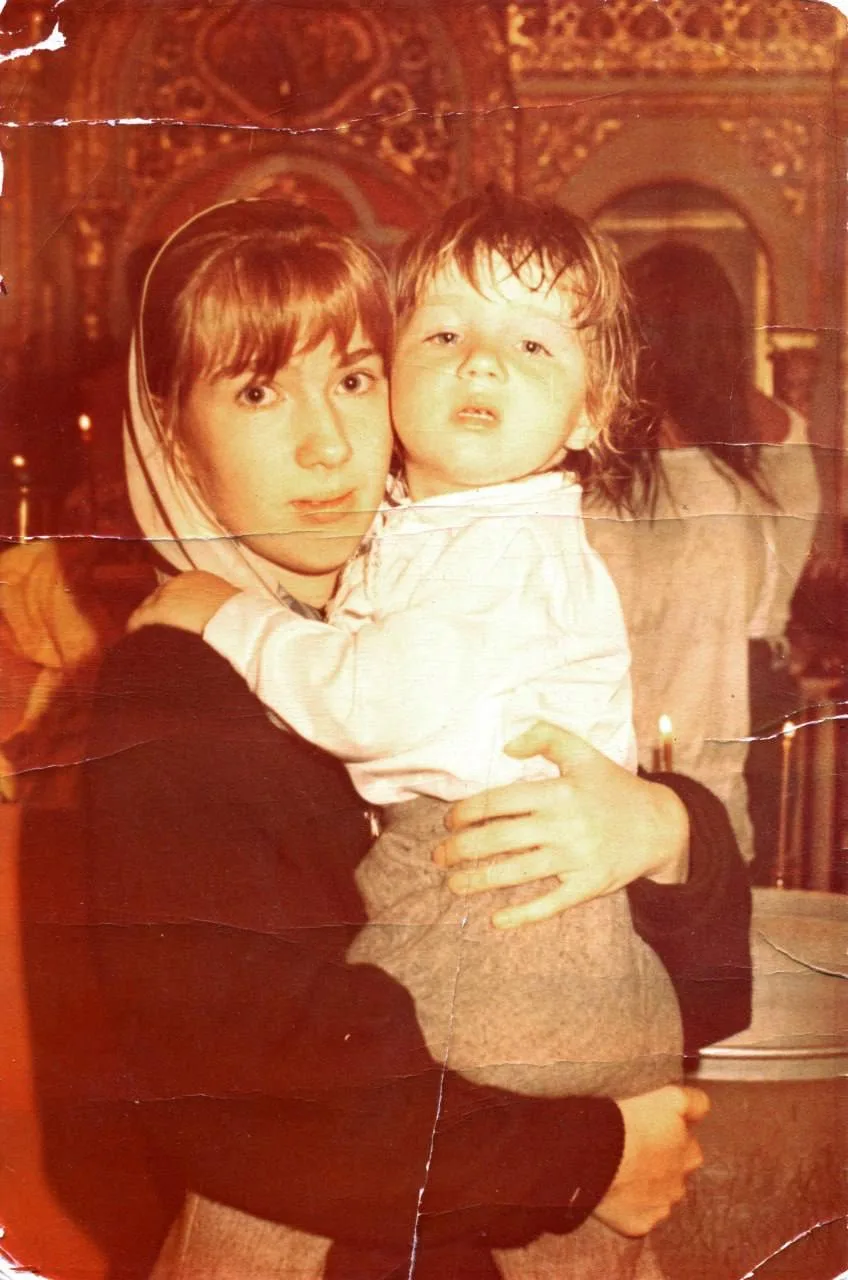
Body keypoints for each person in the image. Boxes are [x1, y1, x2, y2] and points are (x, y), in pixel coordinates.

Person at [22, 199, 751, 1280]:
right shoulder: (171, 690)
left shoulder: (439, 584)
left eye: (354, 377)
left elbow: (707, 990)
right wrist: (588, 1159)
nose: (324, 443)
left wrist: (661, 826)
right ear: (174, 434)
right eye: (258, 390)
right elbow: (245, 1095)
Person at [584, 242, 790, 864]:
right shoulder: (741, 499)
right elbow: (760, 639)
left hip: (598, 800)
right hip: (705, 810)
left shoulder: (585, 493)